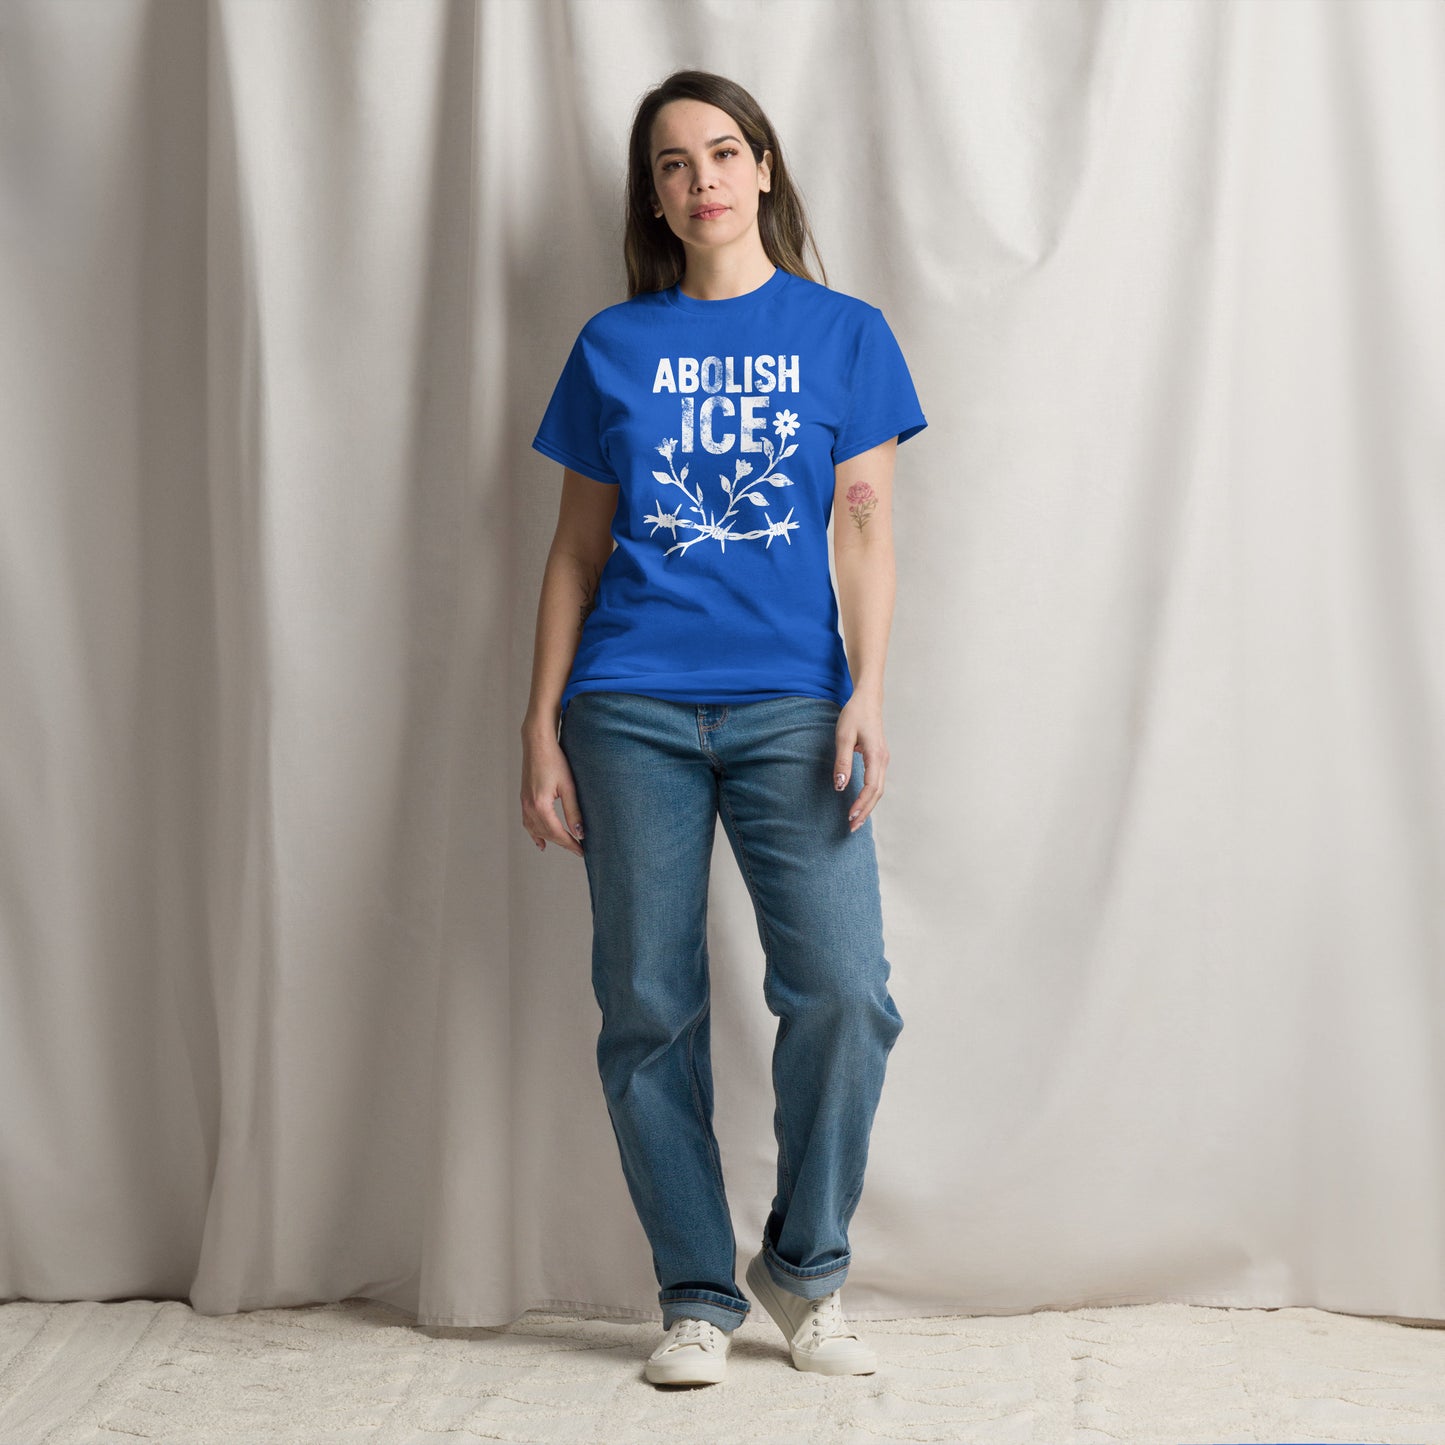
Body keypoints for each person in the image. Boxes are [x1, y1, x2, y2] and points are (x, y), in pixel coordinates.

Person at [519, 68, 927, 1389]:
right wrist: (539, 725)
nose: (701, 179)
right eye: (671, 164)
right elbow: (576, 552)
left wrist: (867, 689)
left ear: (763, 168)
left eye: (722, 152)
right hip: (626, 707)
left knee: (845, 995)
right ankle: (695, 1290)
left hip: (792, 706)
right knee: (646, 1004)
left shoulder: (844, 335)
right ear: (654, 198)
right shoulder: (613, 345)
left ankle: (802, 1268)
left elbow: (863, 531)